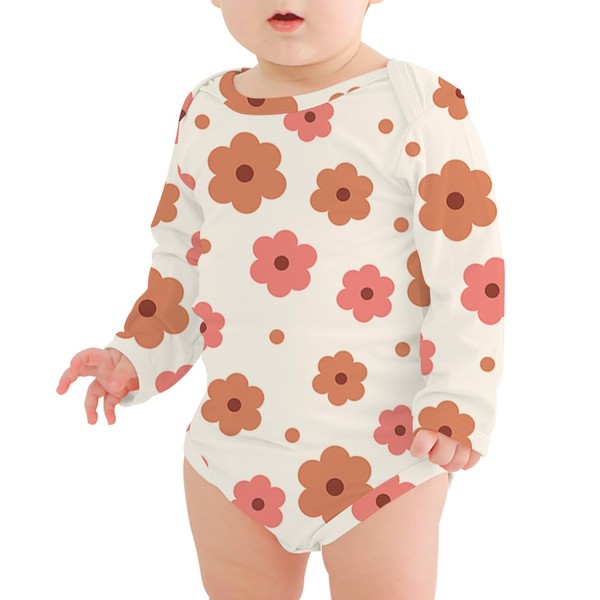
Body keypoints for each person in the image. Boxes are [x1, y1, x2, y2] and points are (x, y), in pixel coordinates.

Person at [56, 1, 504, 598]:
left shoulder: (417, 105)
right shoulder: (206, 110)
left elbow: (469, 269)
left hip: (387, 452)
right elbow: (182, 259)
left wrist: (461, 398)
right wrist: (136, 354)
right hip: (230, 454)